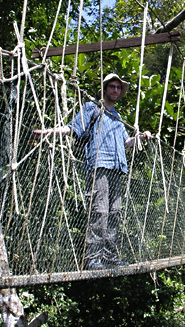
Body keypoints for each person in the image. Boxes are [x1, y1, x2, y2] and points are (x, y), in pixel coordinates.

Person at [33, 73, 151, 268]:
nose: (115, 90)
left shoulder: (118, 117)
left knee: (114, 213)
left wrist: (140, 136)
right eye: (112, 86)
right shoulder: (93, 108)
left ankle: (110, 258)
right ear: (104, 89)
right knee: (99, 212)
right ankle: (93, 258)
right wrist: (49, 132)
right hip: (99, 165)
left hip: (117, 168)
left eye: (118, 87)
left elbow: (126, 142)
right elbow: (73, 128)